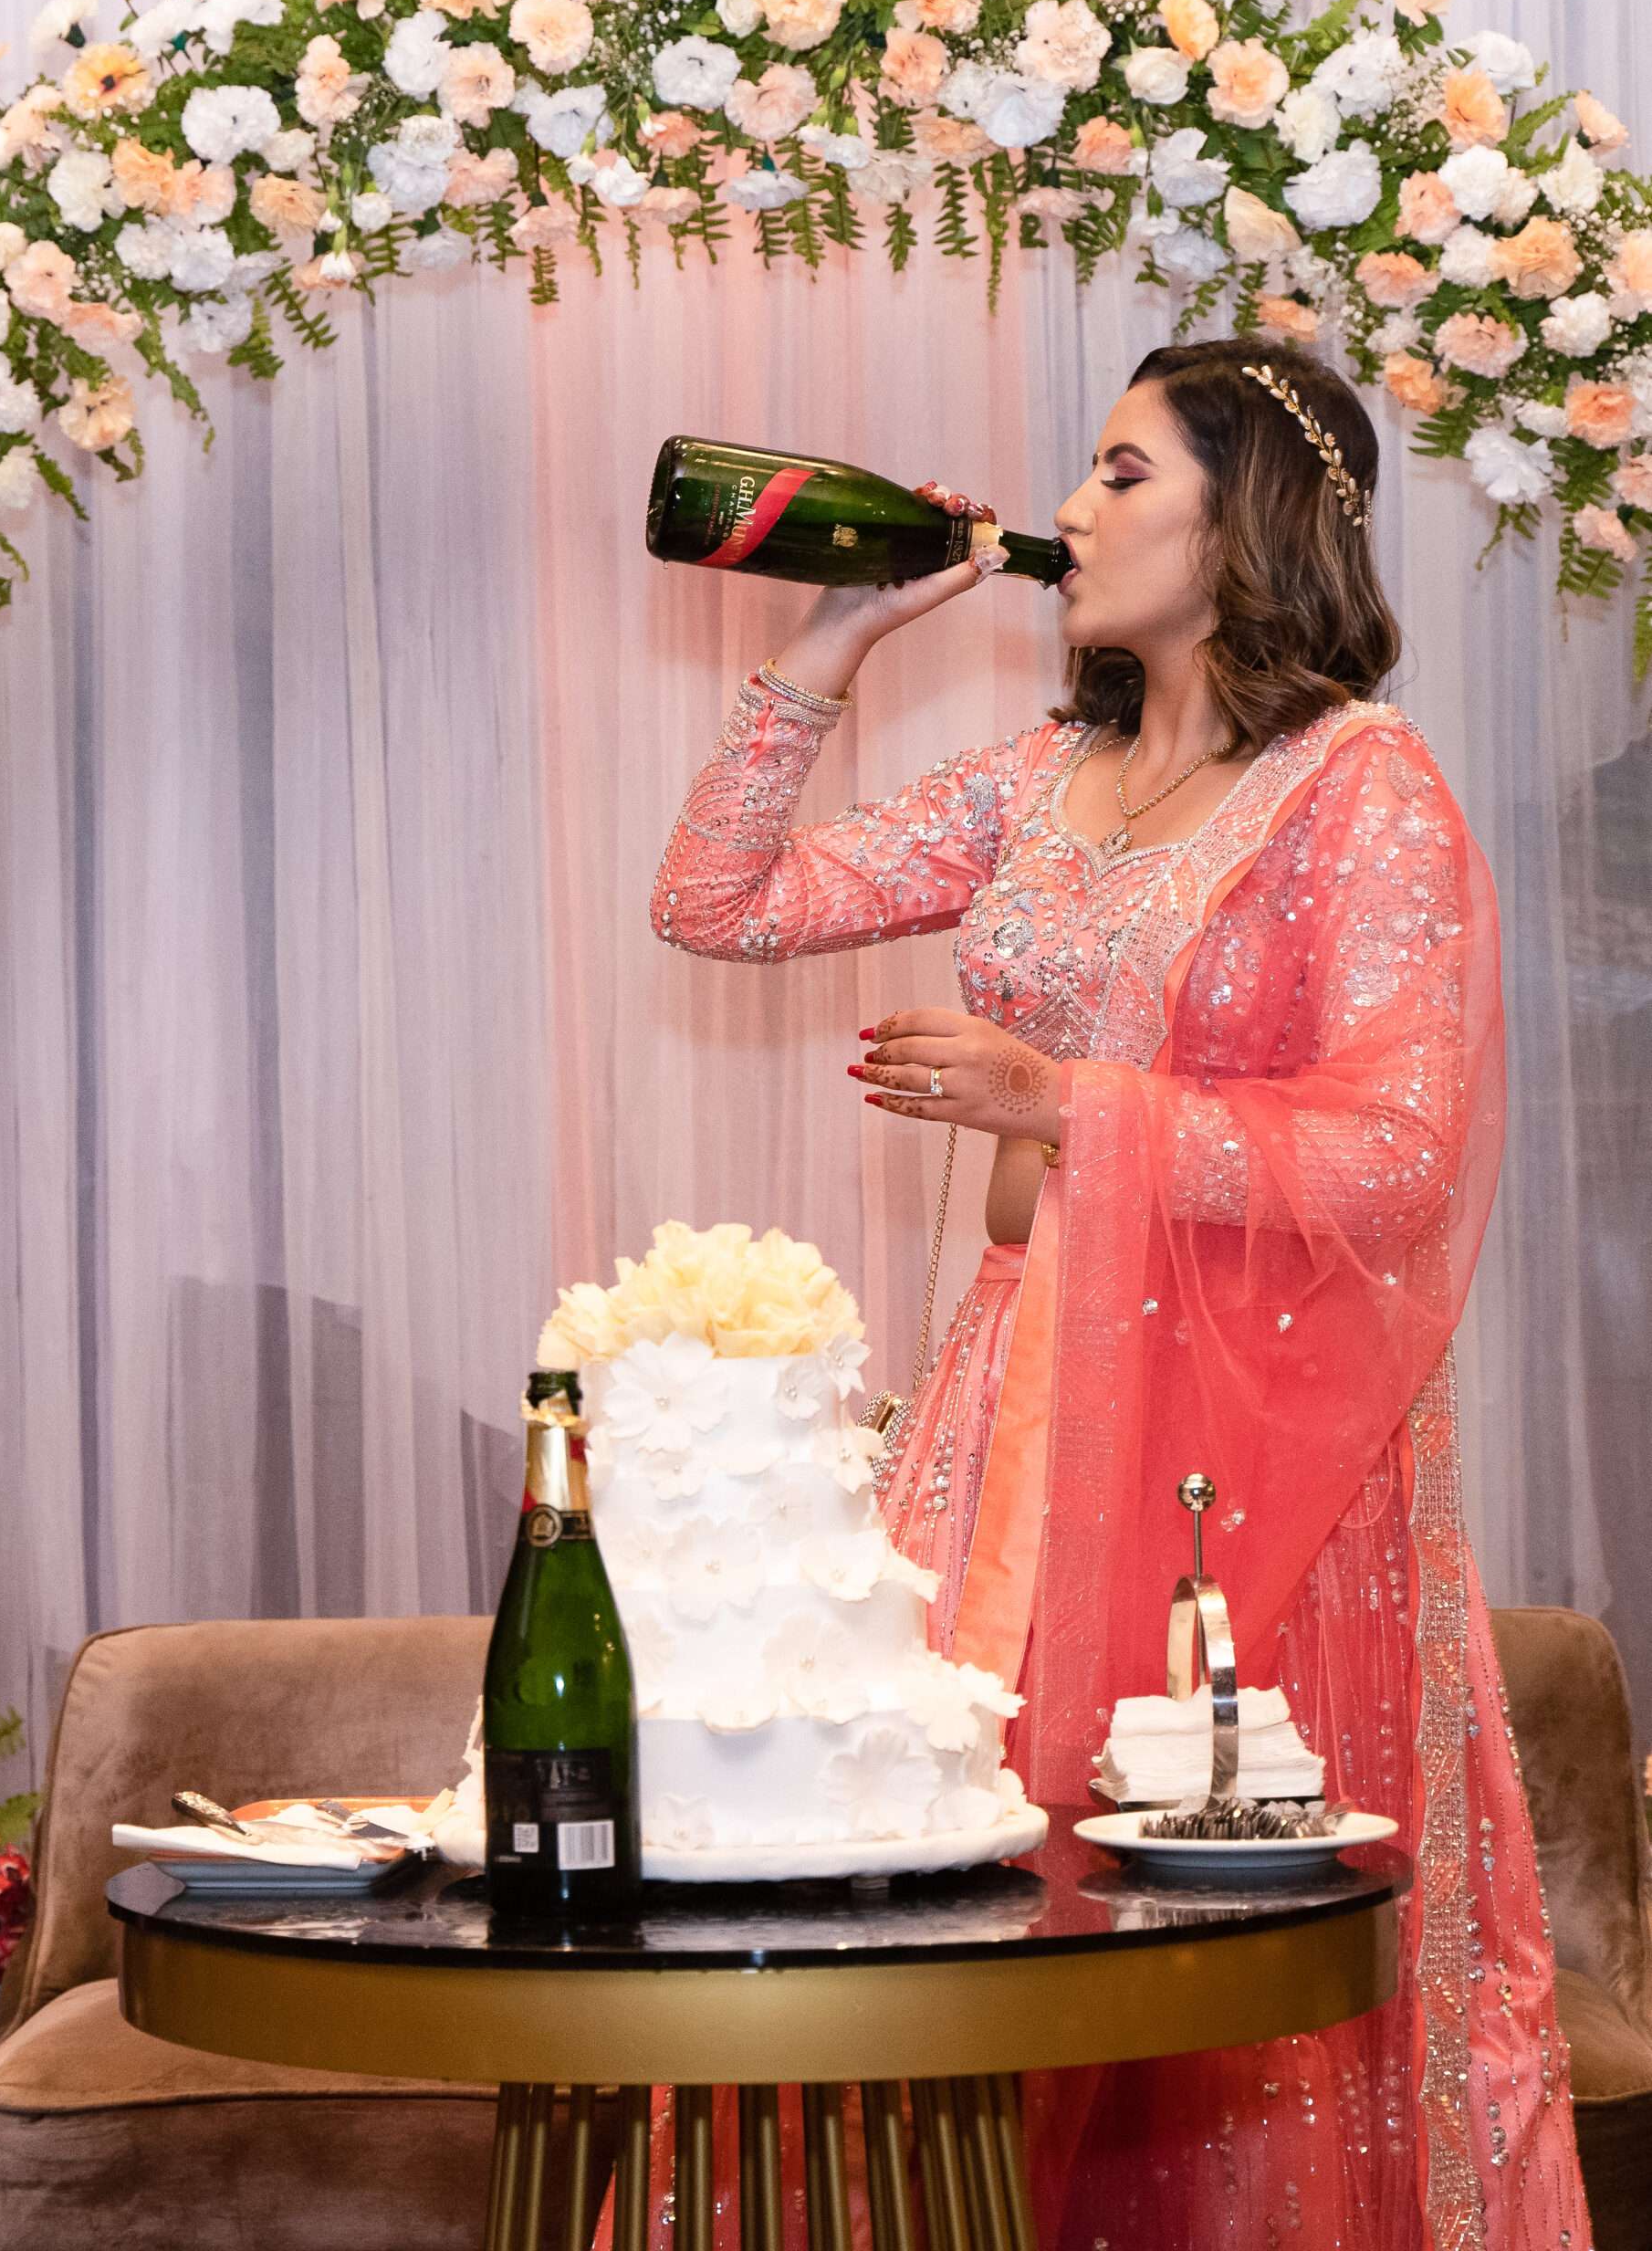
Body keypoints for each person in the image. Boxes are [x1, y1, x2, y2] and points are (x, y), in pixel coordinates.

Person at [651, 335, 1592, 2248]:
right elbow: (717, 903)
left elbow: (1401, 1153)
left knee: (1173, 1921)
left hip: (1242, 1456)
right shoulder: (1042, 775)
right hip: (1010, 1400)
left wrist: (1061, 1100)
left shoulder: (1357, 787)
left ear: (1248, 520)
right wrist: (839, 638)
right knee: (956, 1895)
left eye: (1122, 471)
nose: (1069, 509)